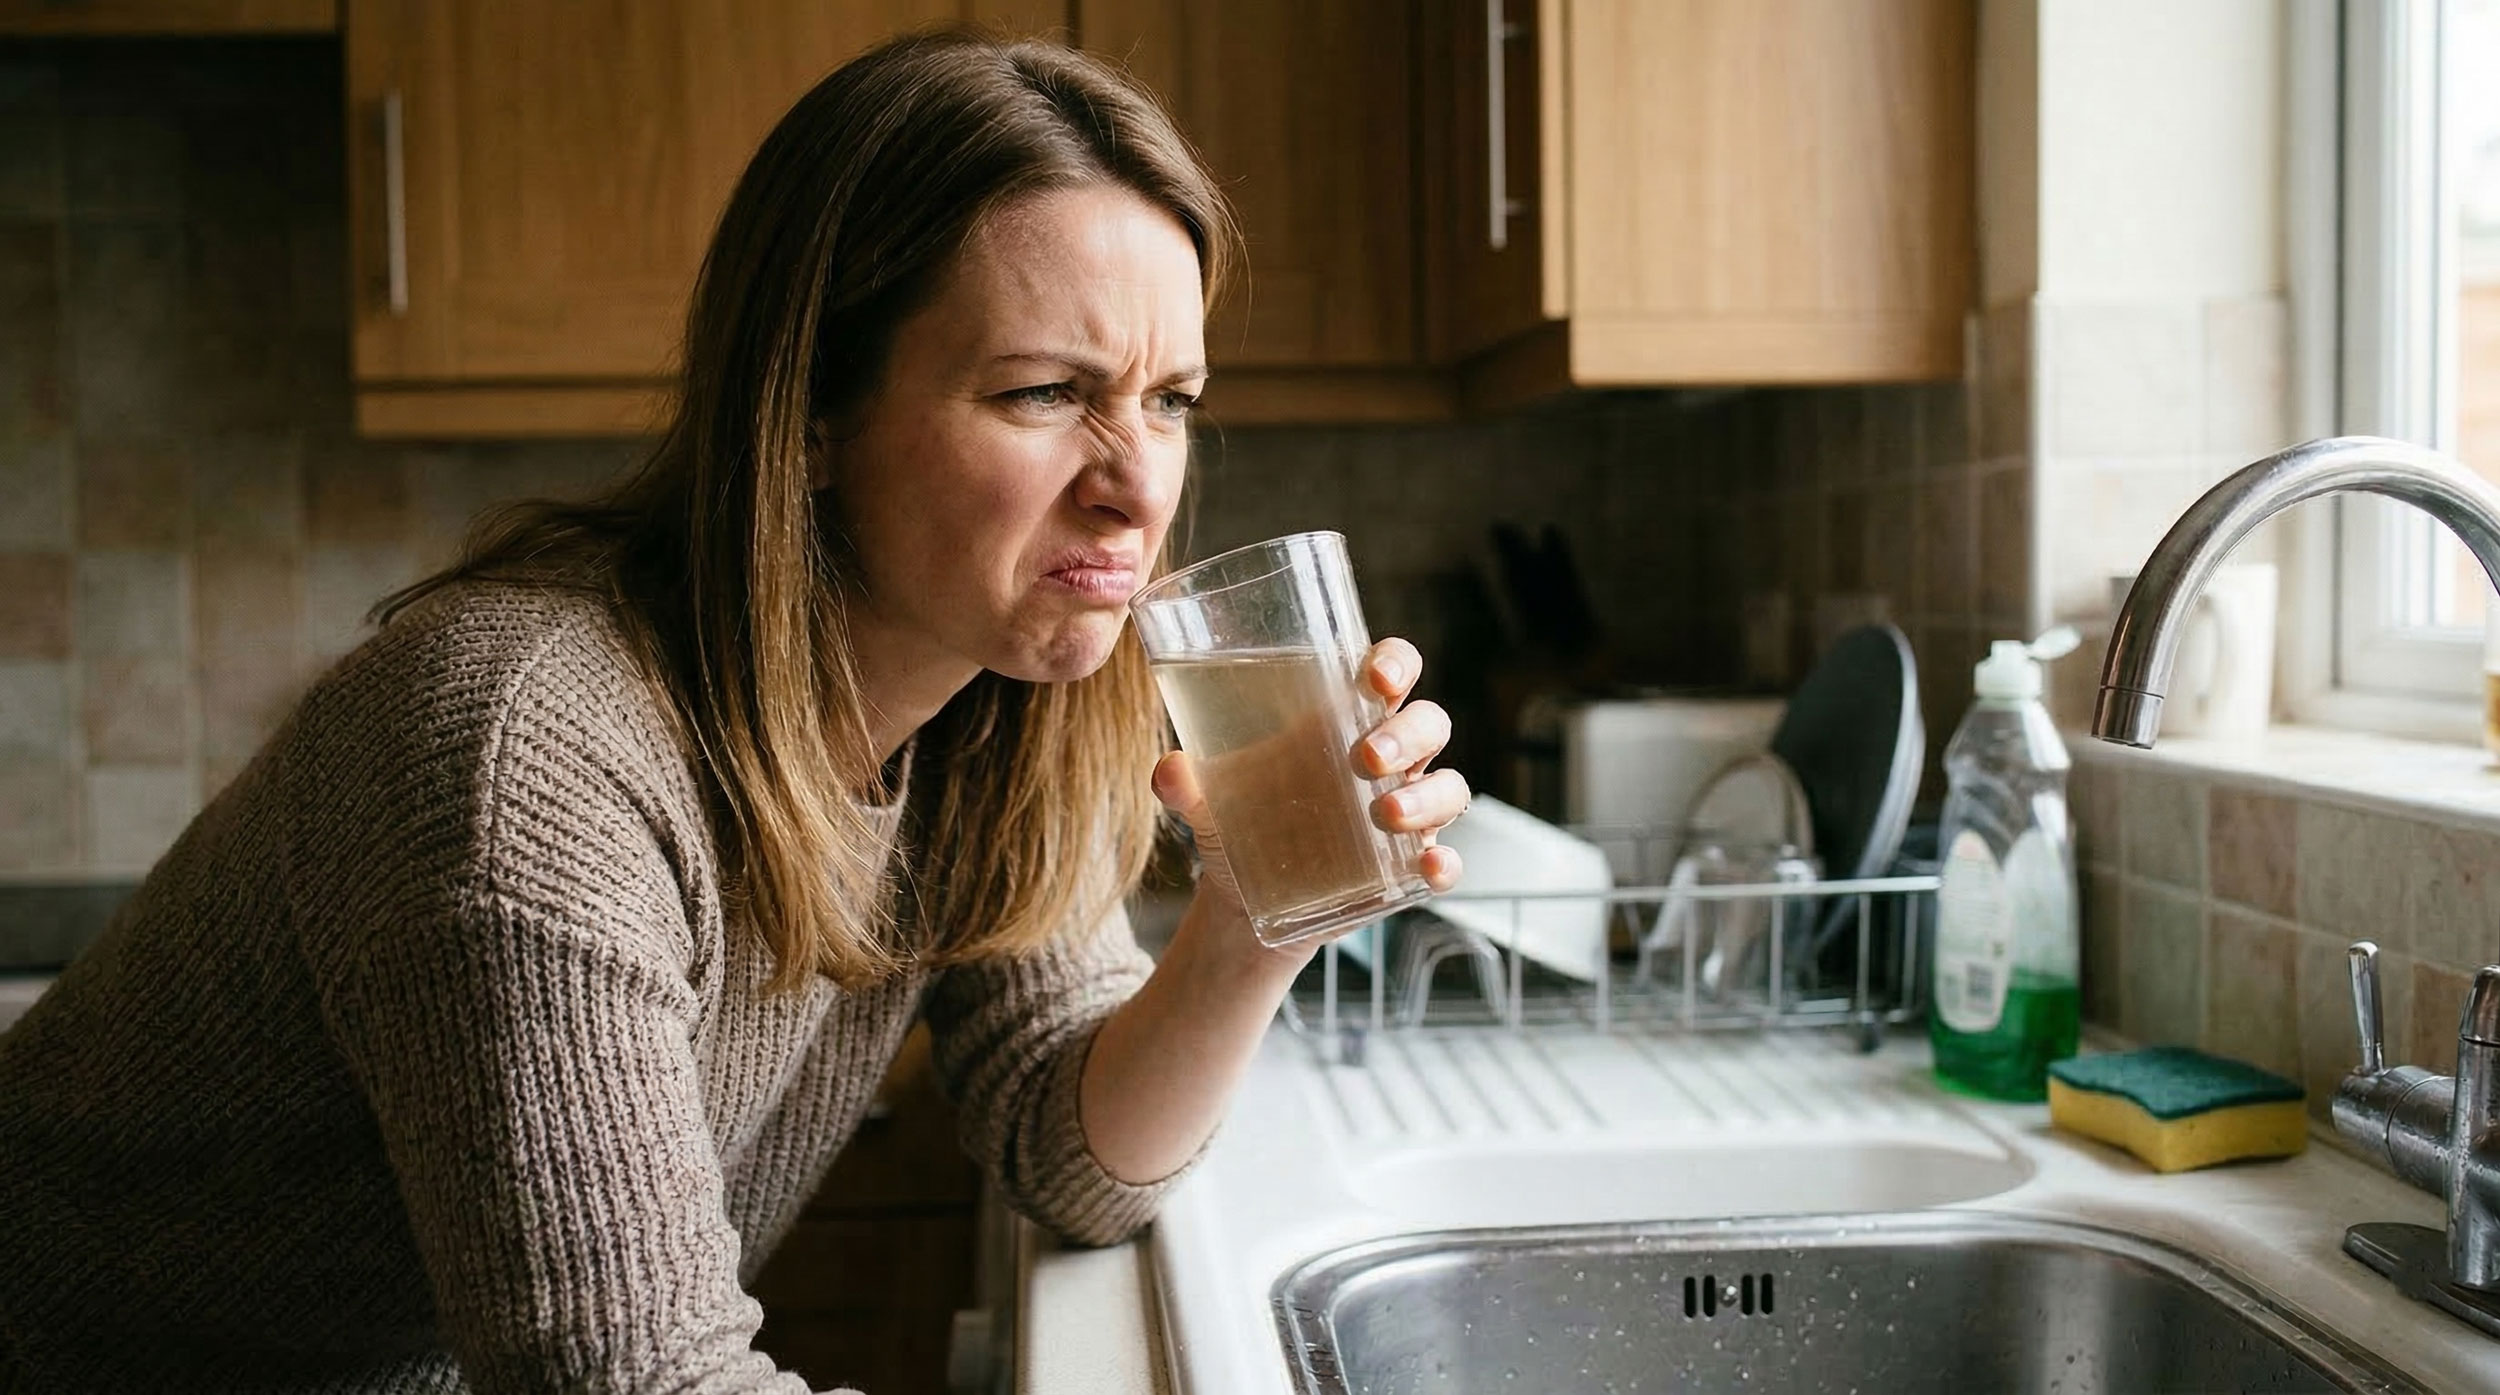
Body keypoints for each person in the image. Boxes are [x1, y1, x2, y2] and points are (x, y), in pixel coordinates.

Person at [0, 32, 1468, 1394]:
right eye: (1042, 394)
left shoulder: (986, 710)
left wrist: (1255, 920)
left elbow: (1069, 1153)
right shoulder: (524, 745)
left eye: (1170, 401)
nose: (1138, 483)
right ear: (813, 413)